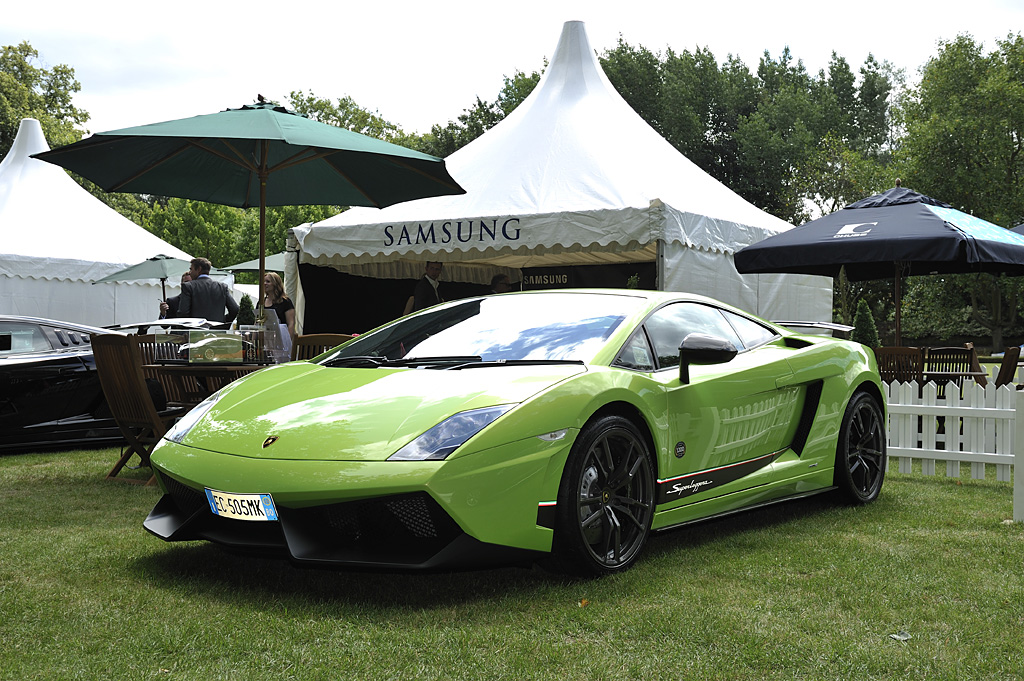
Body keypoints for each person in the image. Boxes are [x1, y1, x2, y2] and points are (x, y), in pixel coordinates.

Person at [178, 257, 239, 325]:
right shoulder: (222, 287)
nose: (190, 272)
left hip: (195, 331)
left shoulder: (188, 286)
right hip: (217, 331)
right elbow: (235, 309)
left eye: (191, 269)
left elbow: (183, 312)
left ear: (199, 269)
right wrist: (222, 321)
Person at [263, 272, 295, 357]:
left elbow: (291, 323)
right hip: (266, 340)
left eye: (268, 281)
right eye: (264, 281)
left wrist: (286, 342)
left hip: (280, 340)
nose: (264, 283)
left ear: (275, 283)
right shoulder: (261, 302)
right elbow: (257, 322)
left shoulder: (285, 302)